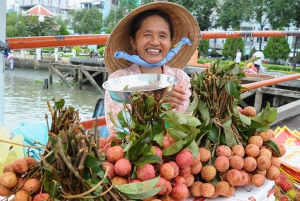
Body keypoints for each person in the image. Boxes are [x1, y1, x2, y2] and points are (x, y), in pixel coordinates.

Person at [103, 2, 200, 135]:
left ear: (171, 42)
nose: (155, 42)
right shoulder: (118, 80)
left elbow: (185, 128)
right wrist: (155, 102)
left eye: (163, 36)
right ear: (133, 42)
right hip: (134, 154)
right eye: (147, 35)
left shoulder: (180, 78)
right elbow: (118, 131)